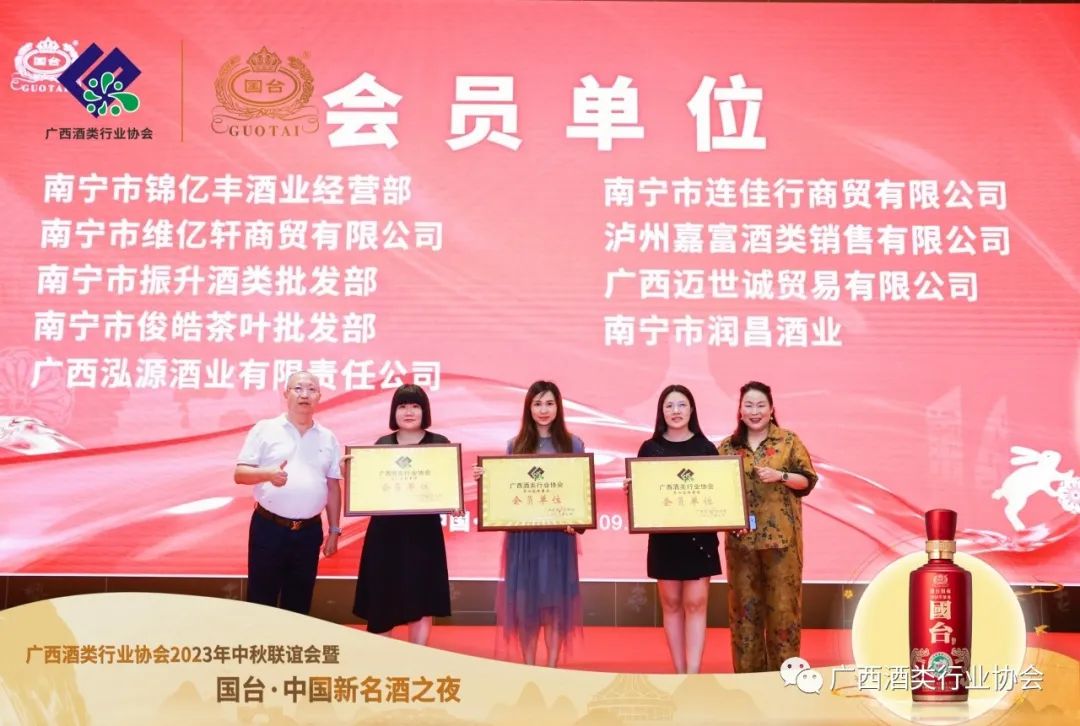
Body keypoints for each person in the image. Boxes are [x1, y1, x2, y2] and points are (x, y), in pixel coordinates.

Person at [476, 380, 584, 667]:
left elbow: (579, 491)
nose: (543, 410)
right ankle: (529, 669)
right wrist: (487, 479)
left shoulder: (573, 444)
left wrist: (577, 521)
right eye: (537, 404)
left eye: (549, 403)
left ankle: (551, 668)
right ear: (528, 408)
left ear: (558, 407)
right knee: (526, 607)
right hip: (523, 540)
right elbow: (506, 491)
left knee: (556, 606)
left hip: (558, 539)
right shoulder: (515, 445)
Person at [717, 380, 818, 673]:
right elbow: (714, 490)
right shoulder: (727, 447)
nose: (755, 411)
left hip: (782, 545)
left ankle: (784, 678)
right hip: (741, 545)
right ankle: (747, 680)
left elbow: (807, 480)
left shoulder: (788, 441)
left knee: (784, 613)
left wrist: (780, 475)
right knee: (743, 615)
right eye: (748, 405)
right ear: (740, 410)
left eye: (761, 405)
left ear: (772, 409)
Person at [234, 371, 342, 614]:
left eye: (311, 389)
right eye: (298, 388)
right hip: (269, 528)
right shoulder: (266, 429)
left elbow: (333, 486)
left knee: (299, 603)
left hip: (309, 532)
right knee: (261, 601)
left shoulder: (328, 438)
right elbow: (240, 474)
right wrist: (267, 474)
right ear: (286, 394)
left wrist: (335, 531)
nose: (305, 395)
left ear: (319, 396)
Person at [352, 384, 452, 644]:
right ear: (393, 412)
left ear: (425, 411)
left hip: (424, 534)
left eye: (415, 406)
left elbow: (447, 488)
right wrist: (352, 474)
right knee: (382, 594)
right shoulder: (381, 445)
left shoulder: (440, 444)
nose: (409, 412)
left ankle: (417, 657)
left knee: (422, 596)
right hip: (385, 534)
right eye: (402, 406)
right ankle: (384, 658)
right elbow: (369, 489)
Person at [631, 384, 720, 674]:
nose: (676, 411)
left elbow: (719, 494)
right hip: (665, 541)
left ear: (692, 409)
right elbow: (644, 497)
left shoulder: (707, 449)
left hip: (700, 539)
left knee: (696, 604)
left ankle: (693, 674)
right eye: (669, 406)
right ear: (661, 411)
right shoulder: (649, 449)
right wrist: (633, 490)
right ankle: (679, 673)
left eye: (682, 405)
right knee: (670, 605)